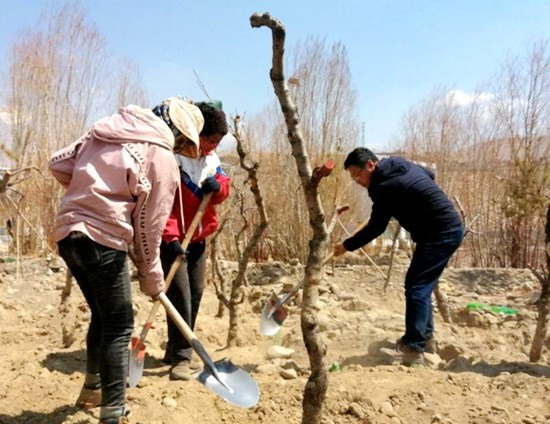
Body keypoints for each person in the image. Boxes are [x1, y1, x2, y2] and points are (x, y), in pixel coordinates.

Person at [49, 97, 205, 424]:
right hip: (102, 239)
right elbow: (149, 229)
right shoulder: (160, 155)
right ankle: (113, 410)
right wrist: (152, 276)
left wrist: (89, 195)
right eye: (182, 142)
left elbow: (59, 163)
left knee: (103, 315)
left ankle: (93, 389)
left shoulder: (105, 130)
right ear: (177, 133)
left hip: (67, 234)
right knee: (120, 324)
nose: (179, 147)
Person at [333, 147, 463, 366]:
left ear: (371, 165)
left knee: (417, 286)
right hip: (442, 229)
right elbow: (429, 175)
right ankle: (424, 339)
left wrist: (347, 245)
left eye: (357, 174)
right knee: (420, 285)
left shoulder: (382, 187)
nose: (357, 181)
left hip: (440, 233)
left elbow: (376, 227)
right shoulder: (400, 164)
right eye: (353, 177)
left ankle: (413, 348)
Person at [159, 101, 230, 381]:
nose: (214, 146)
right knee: (180, 296)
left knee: (196, 293)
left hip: (198, 240)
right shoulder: (173, 160)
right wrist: (170, 237)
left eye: (218, 142)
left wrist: (218, 187)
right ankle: (182, 358)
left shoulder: (211, 161)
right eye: (210, 140)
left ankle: (175, 347)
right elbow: (163, 204)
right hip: (173, 242)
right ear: (196, 134)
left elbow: (224, 187)